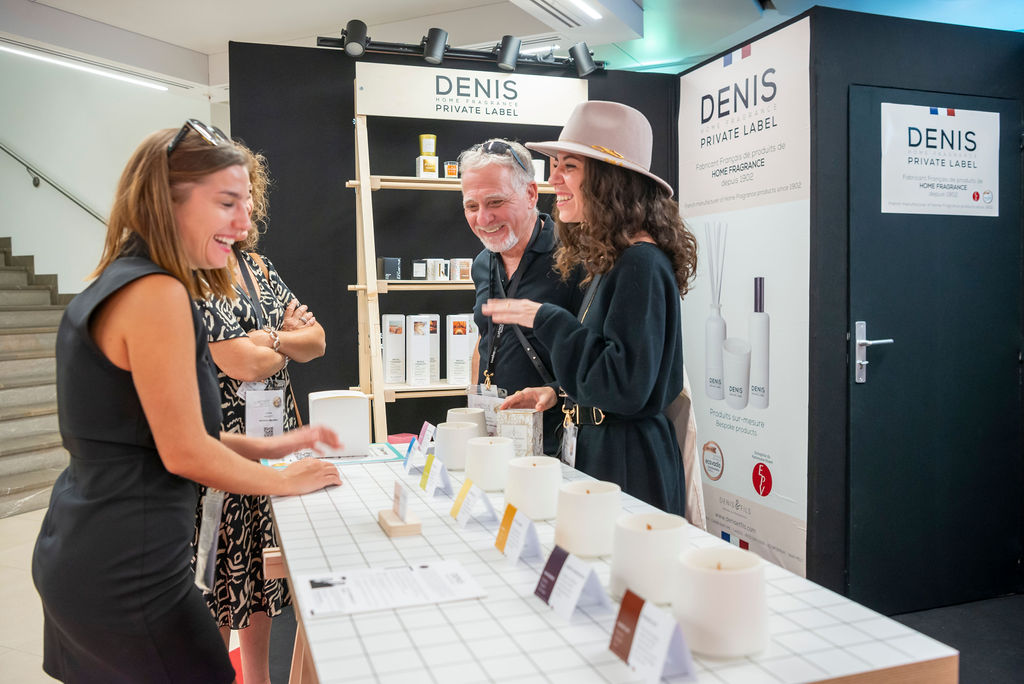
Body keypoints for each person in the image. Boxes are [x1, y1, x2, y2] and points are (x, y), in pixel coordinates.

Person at [31, 120, 342, 683]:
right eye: (227, 203)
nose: (244, 223)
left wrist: (276, 446)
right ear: (167, 199)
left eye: (247, 204)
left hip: (86, 546)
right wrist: (283, 481)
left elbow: (161, 432)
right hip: (127, 566)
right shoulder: (158, 293)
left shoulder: (125, 280)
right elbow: (184, 452)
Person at [484, 102, 697, 515]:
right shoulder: (619, 260)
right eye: (555, 166)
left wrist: (544, 318)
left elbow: (625, 386)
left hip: (628, 467)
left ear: (609, 180)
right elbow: (614, 369)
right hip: (613, 457)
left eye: (569, 167)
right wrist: (558, 392)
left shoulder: (640, 263)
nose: (554, 179)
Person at [193, 145, 324, 684]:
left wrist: (266, 339)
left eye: (249, 199)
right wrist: (281, 338)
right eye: (232, 200)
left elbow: (317, 341)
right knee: (217, 581)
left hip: (274, 445)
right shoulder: (197, 274)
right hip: (222, 451)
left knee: (260, 576)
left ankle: (258, 678)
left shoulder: (259, 267)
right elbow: (239, 363)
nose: (245, 211)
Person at [458, 138, 585, 455]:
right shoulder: (483, 263)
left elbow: (597, 351)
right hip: (497, 436)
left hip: (558, 437)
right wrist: (476, 412)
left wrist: (555, 391)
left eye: (495, 202)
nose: (483, 219)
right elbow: (485, 338)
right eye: (472, 206)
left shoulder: (575, 257)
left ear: (531, 194)